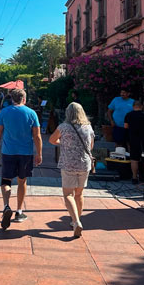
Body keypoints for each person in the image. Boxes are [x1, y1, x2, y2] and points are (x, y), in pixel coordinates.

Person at [0, 89, 42, 230]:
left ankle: (6, 205)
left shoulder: (4, 112)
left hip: (8, 152)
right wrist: (39, 153)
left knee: (6, 180)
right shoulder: (31, 113)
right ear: (24, 99)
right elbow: (37, 136)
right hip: (25, 153)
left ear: (11, 99)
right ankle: (19, 211)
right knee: (22, 181)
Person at [48, 102, 95, 238]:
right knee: (79, 194)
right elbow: (91, 146)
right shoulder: (88, 127)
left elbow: (52, 140)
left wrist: (63, 143)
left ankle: (75, 221)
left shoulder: (63, 127)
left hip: (68, 163)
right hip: (84, 164)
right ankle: (77, 219)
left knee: (68, 194)